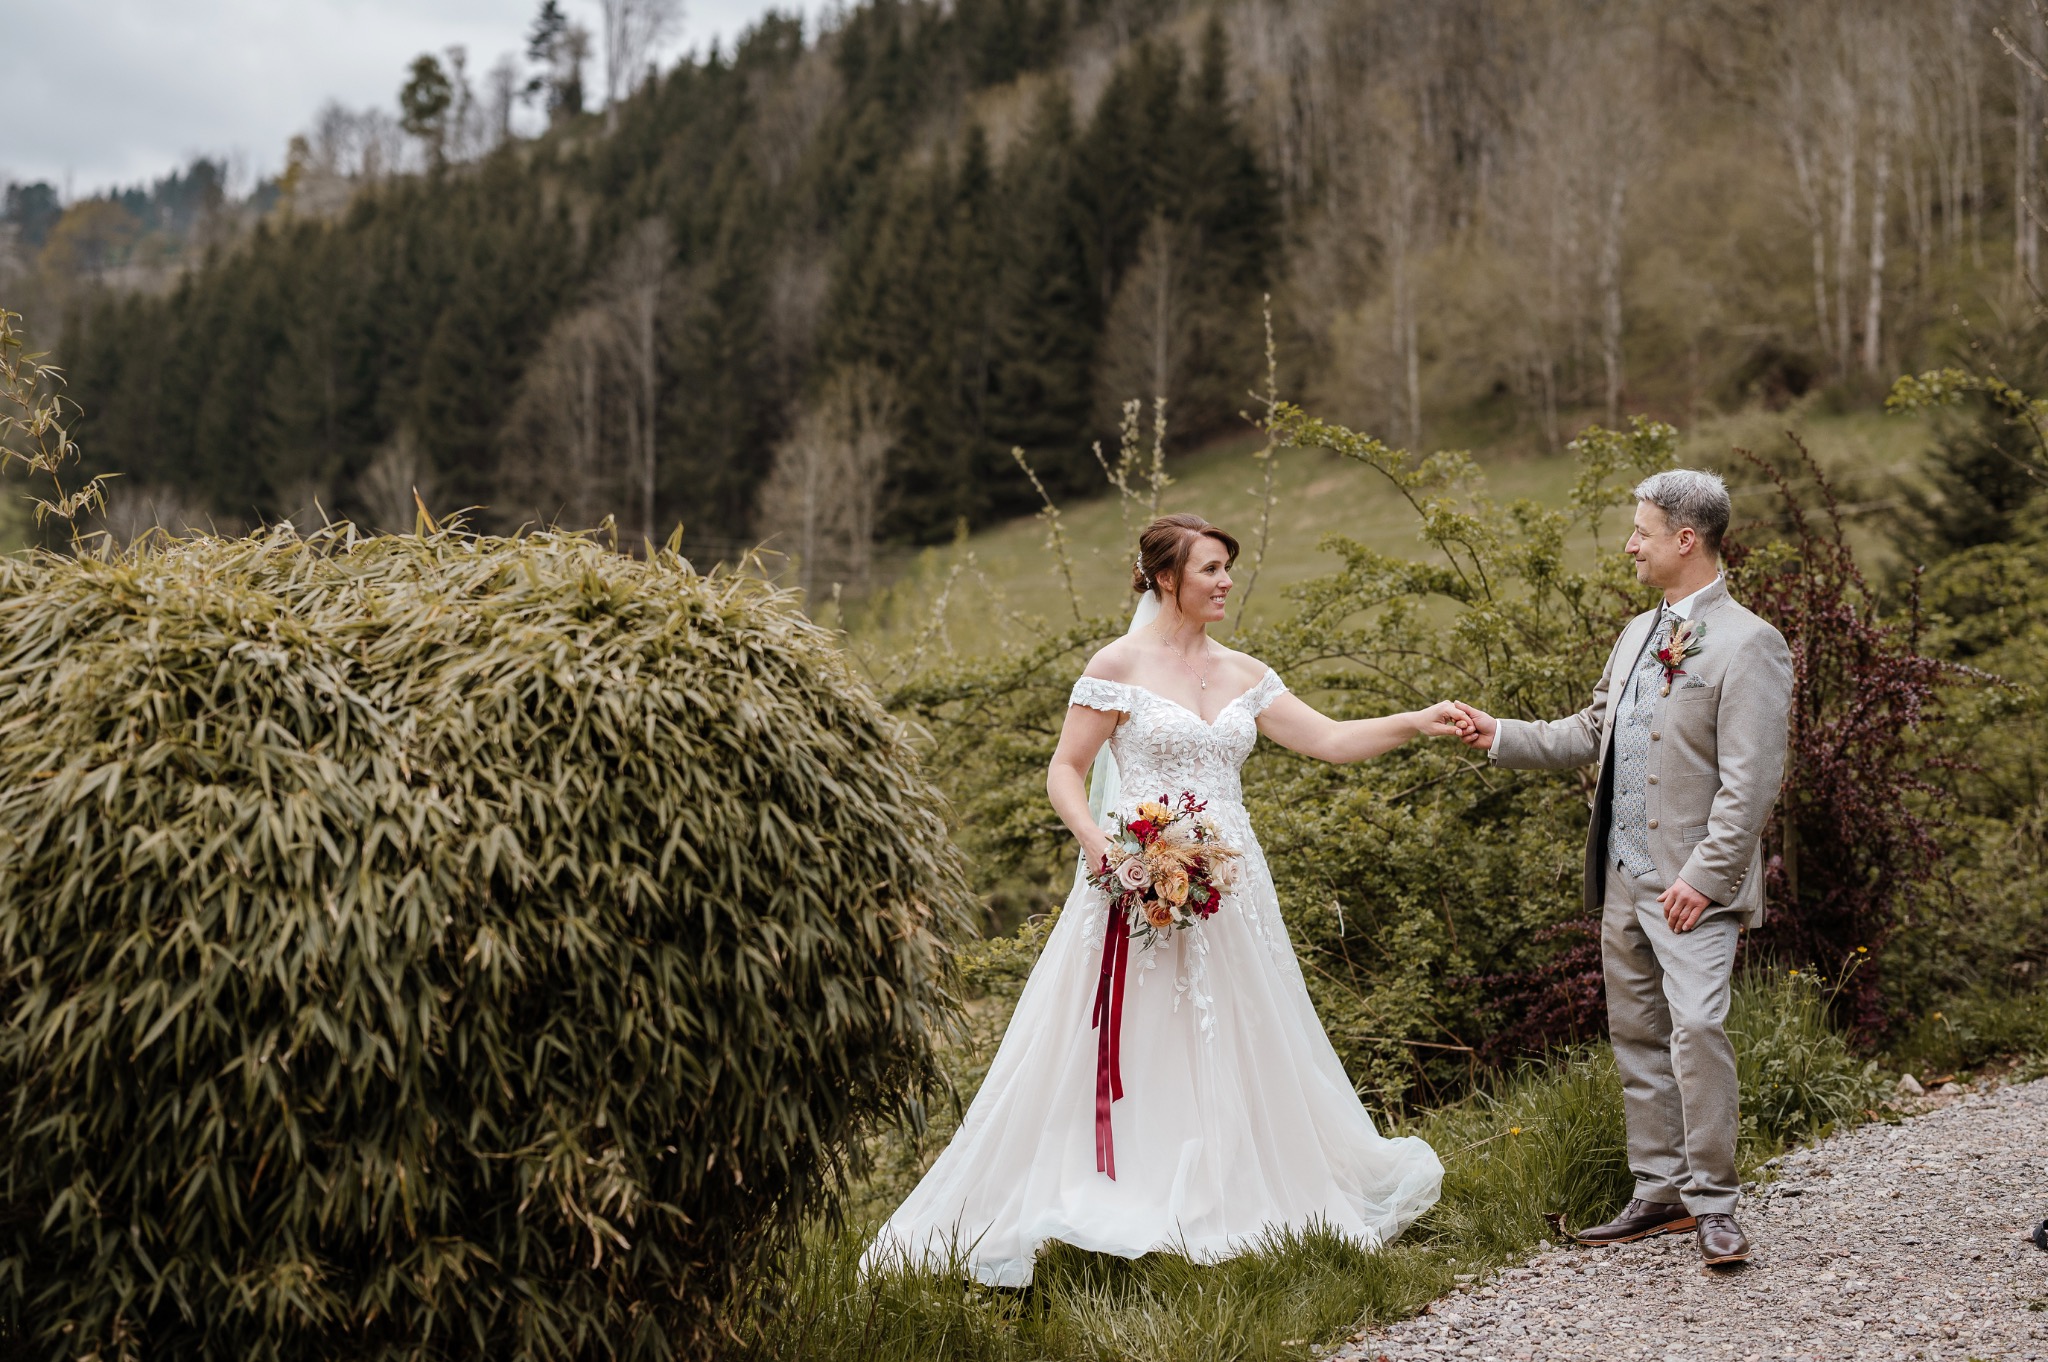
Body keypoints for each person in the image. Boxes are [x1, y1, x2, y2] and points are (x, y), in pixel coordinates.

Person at [862, 513, 1453, 1286]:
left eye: (1227, 568)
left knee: (1239, 1029)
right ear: (1165, 577)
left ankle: (1234, 1184)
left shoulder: (1245, 672)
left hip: (1232, 887)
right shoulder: (1119, 664)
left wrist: (1419, 721)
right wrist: (1100, 844)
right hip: (1134, 877)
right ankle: (1117, 1185)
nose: (1226, 582)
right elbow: (1065, 770)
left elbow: (1330, 739)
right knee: (1135, 1032)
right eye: (1210, 569)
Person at [1451, 469, 1793, 1268]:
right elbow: (1590, 731)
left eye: (1641, 530)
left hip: (1690, 890)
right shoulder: (1638, 632)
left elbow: (1753, 783)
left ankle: (1715, 1205)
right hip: (1624, 881)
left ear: (1687, 539)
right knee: (1636, 1034)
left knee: (1698, 1028)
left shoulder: (1752, 643)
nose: (1629, 543)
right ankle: (1659, 1191)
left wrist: (1704, 879)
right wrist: (1496, 733)